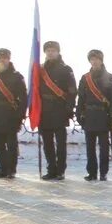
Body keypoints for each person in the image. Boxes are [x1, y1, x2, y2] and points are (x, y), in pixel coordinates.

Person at [77, 49, 112, 181]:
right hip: (89, 115)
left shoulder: (110, 77)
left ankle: (103, 172)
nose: (94, 61)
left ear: (101, 60)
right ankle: (92, 172)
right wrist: (79, 114)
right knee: (90, 147)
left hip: (103, 115)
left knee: (104, 147)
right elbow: (81, 98)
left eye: (97, 59)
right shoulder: (85, 78)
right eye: (92, 59)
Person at [38, 41, 76, 180]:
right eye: (48, 50)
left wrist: (69, 108)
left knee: (60, 144)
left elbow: (72, 91)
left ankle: (60, 170)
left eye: (53, 50)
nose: (50, 53)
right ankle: (51, 169)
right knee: (47, 143)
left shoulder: (66, 69)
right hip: (44, 111)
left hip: (60, 109)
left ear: (58, 52)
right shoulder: (40, 69)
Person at [0, 48, 26, 179]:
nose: (2, 60)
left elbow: (23, 98)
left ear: (9, 59)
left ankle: (11, 170)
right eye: (0, 57)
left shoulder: (17, 76)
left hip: (11, 115)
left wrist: (20, 115)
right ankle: (2, 170)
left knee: (11, 145)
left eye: (4, 57)